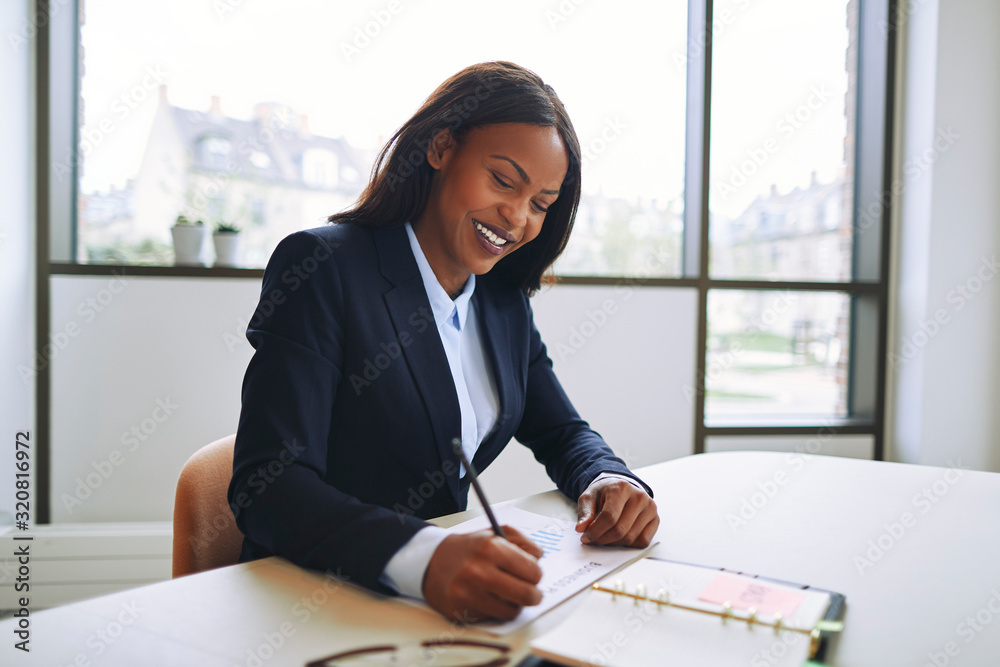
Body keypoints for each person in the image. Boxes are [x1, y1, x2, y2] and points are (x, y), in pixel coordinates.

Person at [227, 61, 659, 623]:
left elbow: (561, 431)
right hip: (316, 603)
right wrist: (425, 558)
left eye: (541, 204)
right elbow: (269, 487)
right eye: (504, 181)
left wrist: (608, 479)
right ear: (440, 148)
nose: (518, 217)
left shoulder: (501, 301)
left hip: (442, 615)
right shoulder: (323, 266)